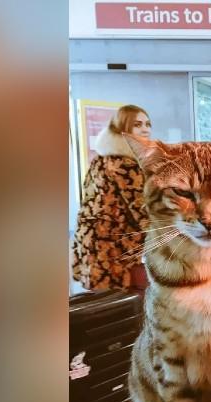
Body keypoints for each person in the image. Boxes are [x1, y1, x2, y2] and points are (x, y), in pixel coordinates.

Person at [71, 104, 153, 290]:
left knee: (103, 307)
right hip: (112, 251)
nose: (145, 129)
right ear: (123, 127)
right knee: (120, 310)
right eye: (137, 124)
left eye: (148, 124)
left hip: (91, 245)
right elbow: (142, 210)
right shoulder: (126, 164)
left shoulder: (101, 158)